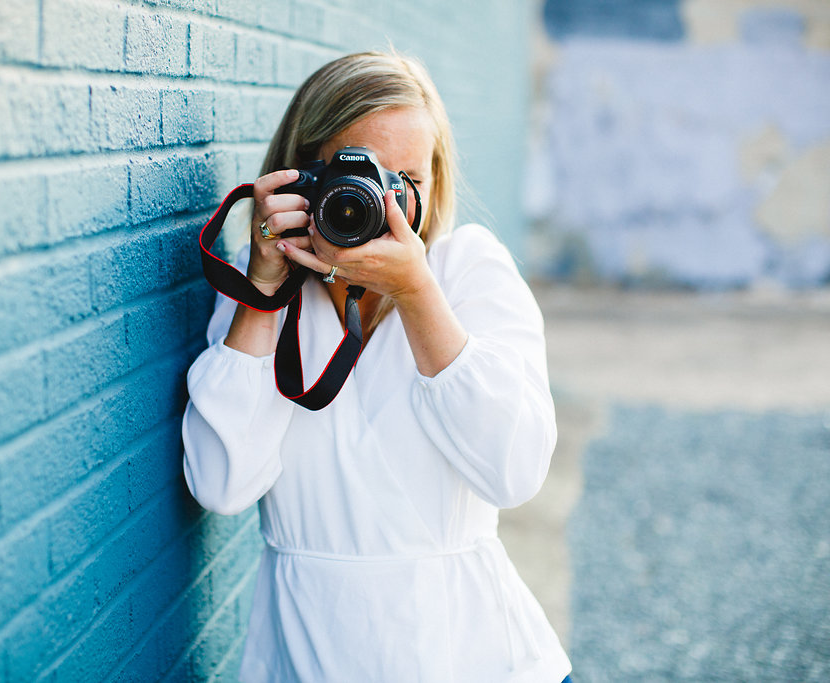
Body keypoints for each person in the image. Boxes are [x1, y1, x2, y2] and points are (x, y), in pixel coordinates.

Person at [182, 50, 573, 682]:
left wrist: (417, 294)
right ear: (298, 175)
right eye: (356, 175)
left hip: (475, 659)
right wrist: (262, 291)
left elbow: (516, 472)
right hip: (310, 660)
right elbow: (222, 485)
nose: (382, 202)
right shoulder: (263, 296)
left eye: (407, 180)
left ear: (435, 185)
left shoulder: (466, 271)